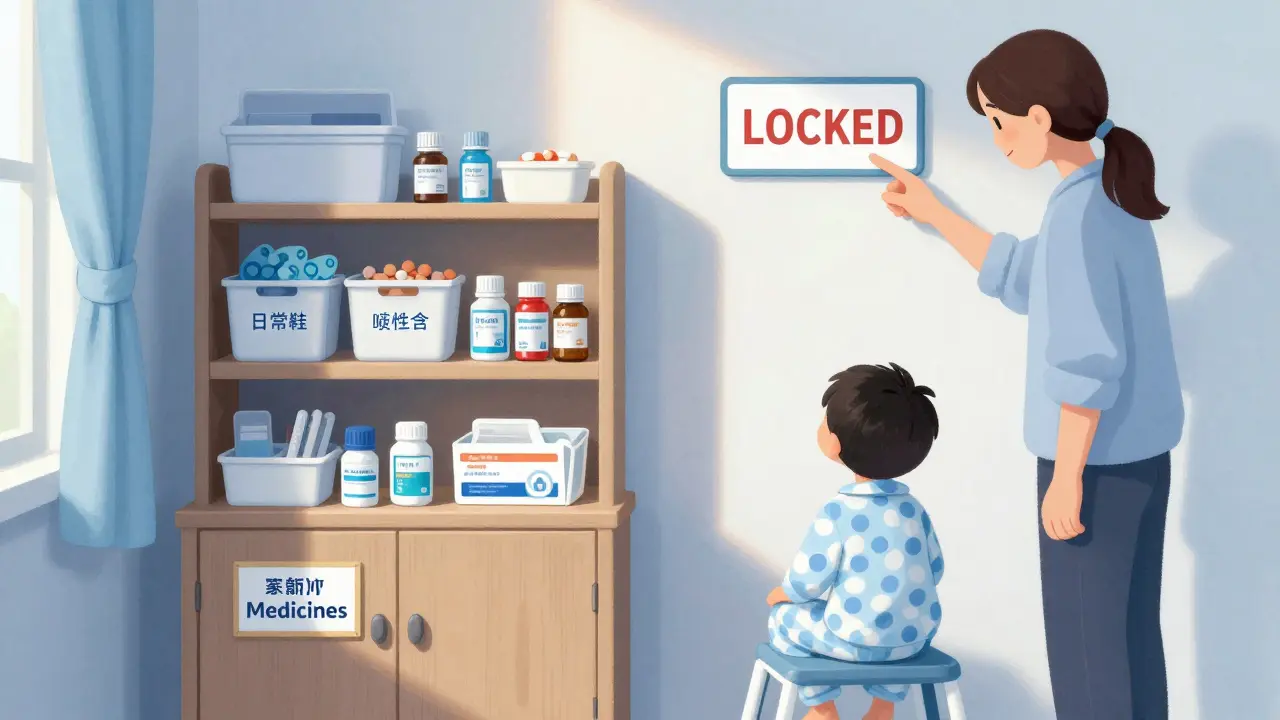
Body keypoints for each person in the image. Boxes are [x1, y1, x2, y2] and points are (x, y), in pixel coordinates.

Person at [868, 29, 1183, 720]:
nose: (996, 139)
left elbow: (1087, 358)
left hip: (1093, 466)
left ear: (1039, 118)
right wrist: (933, 211)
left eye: (999, 122)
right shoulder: (1110, 200)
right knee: (1129, 643)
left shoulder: (1079, 215)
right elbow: (1022, 276)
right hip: (1141, 464)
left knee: (1086, 658)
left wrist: (1067, 475)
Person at [767, 363, 945, 720]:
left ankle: (822, 708)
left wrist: (784, 593)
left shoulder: (839, 511)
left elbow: (809, 578)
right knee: (892, 626)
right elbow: (935, 569)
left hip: (853, 640)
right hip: (913, 641)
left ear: (834, 443)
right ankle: (883, 706)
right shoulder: (914, 509)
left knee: (782, 620)